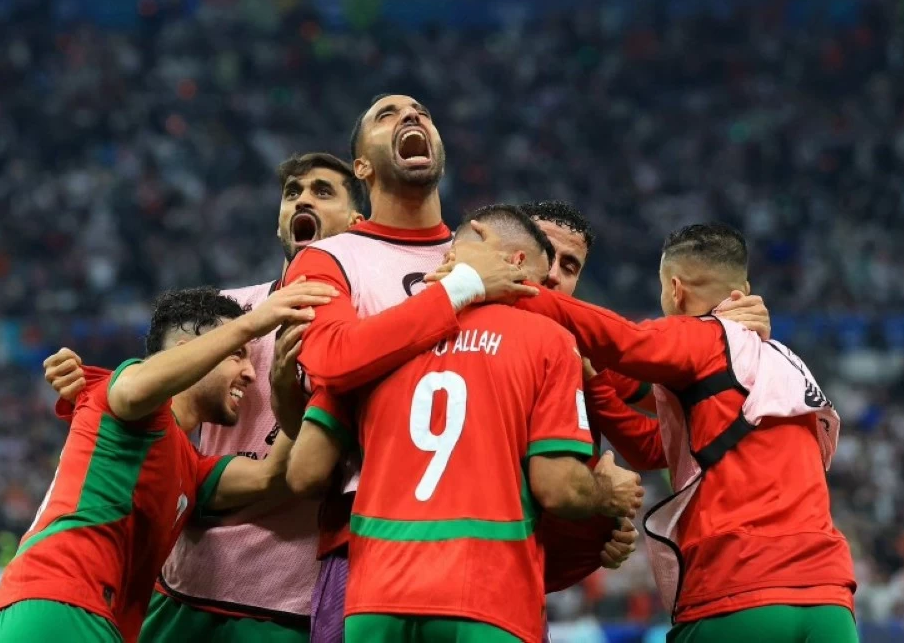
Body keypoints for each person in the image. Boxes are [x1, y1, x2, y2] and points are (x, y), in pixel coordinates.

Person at [448, 223, 857, 642]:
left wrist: (498, 282)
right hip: (829, 599)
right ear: (744, 290)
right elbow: (653, 446)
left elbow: (621, 341)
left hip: (739, 588)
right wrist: (595, 382)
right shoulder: (786, 362)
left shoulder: (703, 337)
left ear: (675, 290)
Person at [41, 153, 365, 642]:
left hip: (286, 598)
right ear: (279, 218)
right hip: (187, 582)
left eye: (322, 191)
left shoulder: (372, 326)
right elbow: (153, 396)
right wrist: (85, 381)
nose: (302, 199)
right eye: (292, 192)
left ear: (358, 223)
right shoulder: (234, 311)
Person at [287, 205, 646, 642]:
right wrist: (604, 494)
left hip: (376, 593)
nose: (550, 282)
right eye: (543, 267)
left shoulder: (381, 335)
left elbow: (303, 471)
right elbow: (558, 489)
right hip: (489, 595)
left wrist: (596, 537)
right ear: (517, 263)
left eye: (568, 268)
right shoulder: (552, 343)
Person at [281, 94, 537, 643]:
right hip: (367, 534)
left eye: (421, 112)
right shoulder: (328, 258)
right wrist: (461, 290)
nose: (412, 117)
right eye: (387, 115)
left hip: (491, 532)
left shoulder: (488, 252)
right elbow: (331, 357)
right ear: (362, 167)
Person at [0, 283, 335, 643]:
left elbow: (273, 475)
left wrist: (295, 388)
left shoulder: (190, 468)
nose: (251, 373)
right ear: (187, 351)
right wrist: (253, 323)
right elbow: (132, 389)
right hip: (66, 607)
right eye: (237, 354)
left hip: (16, 611)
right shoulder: (126, 397)